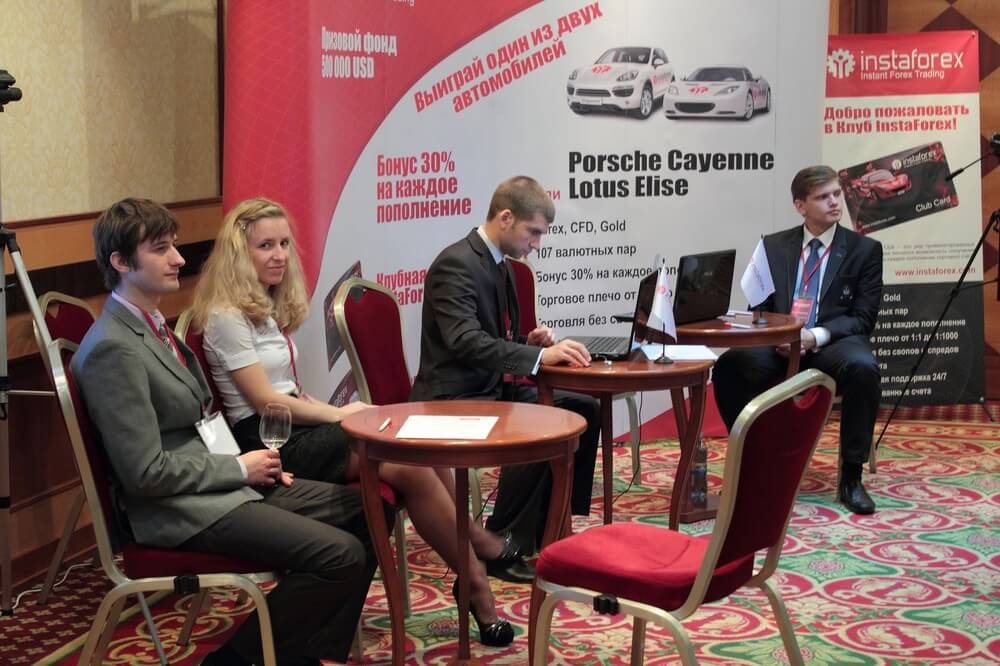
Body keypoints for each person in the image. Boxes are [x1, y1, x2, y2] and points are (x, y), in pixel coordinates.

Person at [72, 198, 386, 666]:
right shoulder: (112, 349)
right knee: (340, 555)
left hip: (219, 483)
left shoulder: (151, 326)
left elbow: (201, 422)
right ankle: (231, 662)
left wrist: (249, 468)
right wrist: (237, 469)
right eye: (161, 249)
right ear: (120, 262)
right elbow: (144, 473)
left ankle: (309, 653)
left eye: (174, 245)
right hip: (180, 508)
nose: (179, 258)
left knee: (371, 510)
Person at [190, 198, 515, 647]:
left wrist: (332, 410)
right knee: (403, 459)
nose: (280, 255)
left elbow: (287, 391)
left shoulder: (263, 307)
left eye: (284, 243)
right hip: (268, 443)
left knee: (409, 449)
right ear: (238, 253)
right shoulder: (225, 317)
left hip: (293, 427)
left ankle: (473, 566)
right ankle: (475, 571)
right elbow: (265, 401)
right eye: (265, 246)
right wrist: (341, 413)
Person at [411, 175, 601, 574]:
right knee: (544, 425)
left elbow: (492, 338)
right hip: (454, 398)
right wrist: (539, 356)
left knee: (581, 410)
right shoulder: (456, 264)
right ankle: (502, 539)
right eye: (533, 232)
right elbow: (465, 342)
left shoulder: (501, 264)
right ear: (505, 217)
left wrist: (528, 342)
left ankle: (549, 524)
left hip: (490, 387)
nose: (537, 244)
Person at [712, 165, 883, 514]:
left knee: (864, 368)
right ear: (800, 206)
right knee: (729, 366)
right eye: (823, 197)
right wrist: (779, 333)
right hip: (780, 343)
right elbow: (759, 308)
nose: (834, 202)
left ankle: (851, 477)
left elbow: (863, 319)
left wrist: (813, 336)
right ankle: (753, 460)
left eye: (836, 194)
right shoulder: (773, 246)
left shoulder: (864, 250)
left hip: (832, 343)